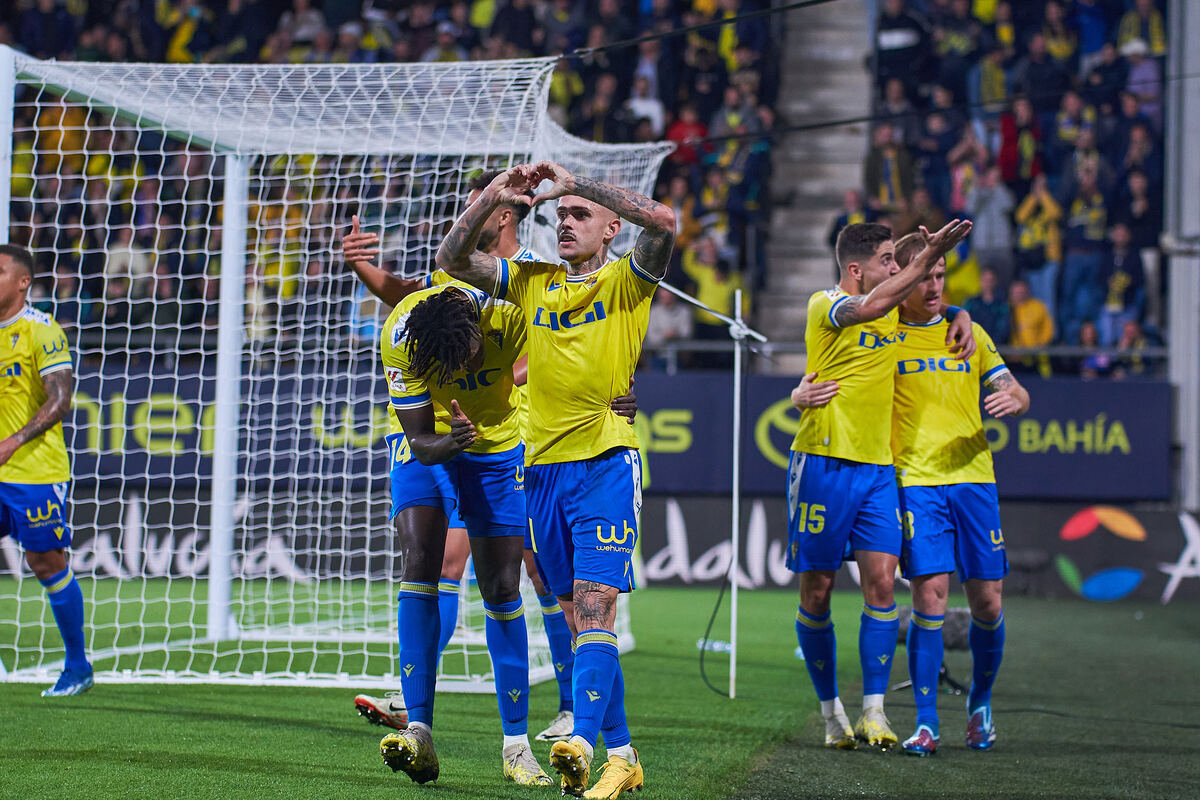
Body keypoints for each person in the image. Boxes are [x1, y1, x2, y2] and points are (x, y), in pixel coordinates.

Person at [344, 170, 625, 745]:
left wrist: (580, 385)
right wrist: (366, 268)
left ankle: (573, 701)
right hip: (454, 431)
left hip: (521, 431)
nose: (464, 217)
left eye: (475, 207)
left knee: (540, 569)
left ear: (503, 215)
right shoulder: (454, 277)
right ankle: (414, 692)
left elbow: (573, 344)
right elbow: (412, 300)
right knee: (442, 559)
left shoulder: (531, 275)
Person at [436, 162, 677, 798]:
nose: (566, 223)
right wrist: (498, 196)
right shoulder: (533, 281)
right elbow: (452, 259)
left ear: (608, 229)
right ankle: (623, 755)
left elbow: (665, 222)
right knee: (575, 618)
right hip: (541, 469)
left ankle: (582, 740)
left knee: (597, 608)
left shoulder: (628, 281)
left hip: (605, 460)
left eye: (578, 217)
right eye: (560, 216)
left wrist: (574, 184)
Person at [785, 220, 973, 752]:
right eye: (889, 260)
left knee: (884, 588)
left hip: (878, 471)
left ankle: (874, 712)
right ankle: (830, 715)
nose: (897, 269)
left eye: (898, 260)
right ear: (856, 268)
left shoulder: (896, 312)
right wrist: (798, 394)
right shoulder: (826, 303)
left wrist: (963, 314)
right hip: (822, 462)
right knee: (817, 591)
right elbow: (866, 309)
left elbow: (932, 313)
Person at [377, 278, 551, 787]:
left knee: (500, 587)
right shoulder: (400, 336)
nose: (463, 372)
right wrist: (450, 441)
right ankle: (419, 731)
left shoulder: (510, 316)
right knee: (419, 561)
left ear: (479, 329)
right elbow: (420, 441)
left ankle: (516, 747)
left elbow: (567, 354)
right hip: (432, 438)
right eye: (447, 369)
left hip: (498, 448)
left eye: (468, 357)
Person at [879, 233, 1029, 755]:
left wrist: (1014, 397)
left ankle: (980, 704)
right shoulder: (885, 334)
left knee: (987, 602)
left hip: (974, 480)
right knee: (929, 599)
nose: (936, 286)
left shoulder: (970, 332)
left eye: (941, 276)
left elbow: (1017, 389)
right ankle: (925, 722)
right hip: (917, 483)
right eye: (925, 276)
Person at [0, 244, 92, 696]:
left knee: (45, 562)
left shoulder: (41, 329)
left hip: (33, 469)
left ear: (22, 282)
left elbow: (60, 401)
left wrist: (12, 442)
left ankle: (77, 667)